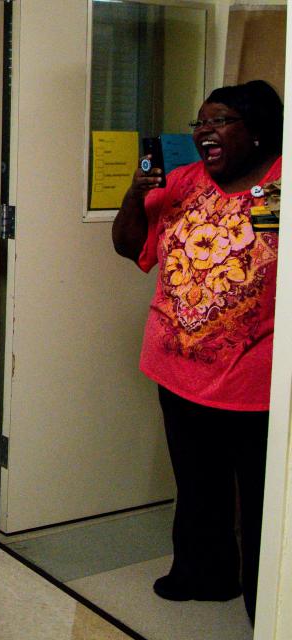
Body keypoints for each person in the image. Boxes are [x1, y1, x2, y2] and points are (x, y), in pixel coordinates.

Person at [112, 80, 282, 621]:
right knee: (197, 482)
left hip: (254, 378)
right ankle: (204, 574)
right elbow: (126, 243)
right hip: (176, 366)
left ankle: (268, 604)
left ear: (256, 131)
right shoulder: (184, 182)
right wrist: (136, 193)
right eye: (200, 122)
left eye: (220, 120)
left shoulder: (282, 187)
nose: (204, 131)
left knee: (260, 499)